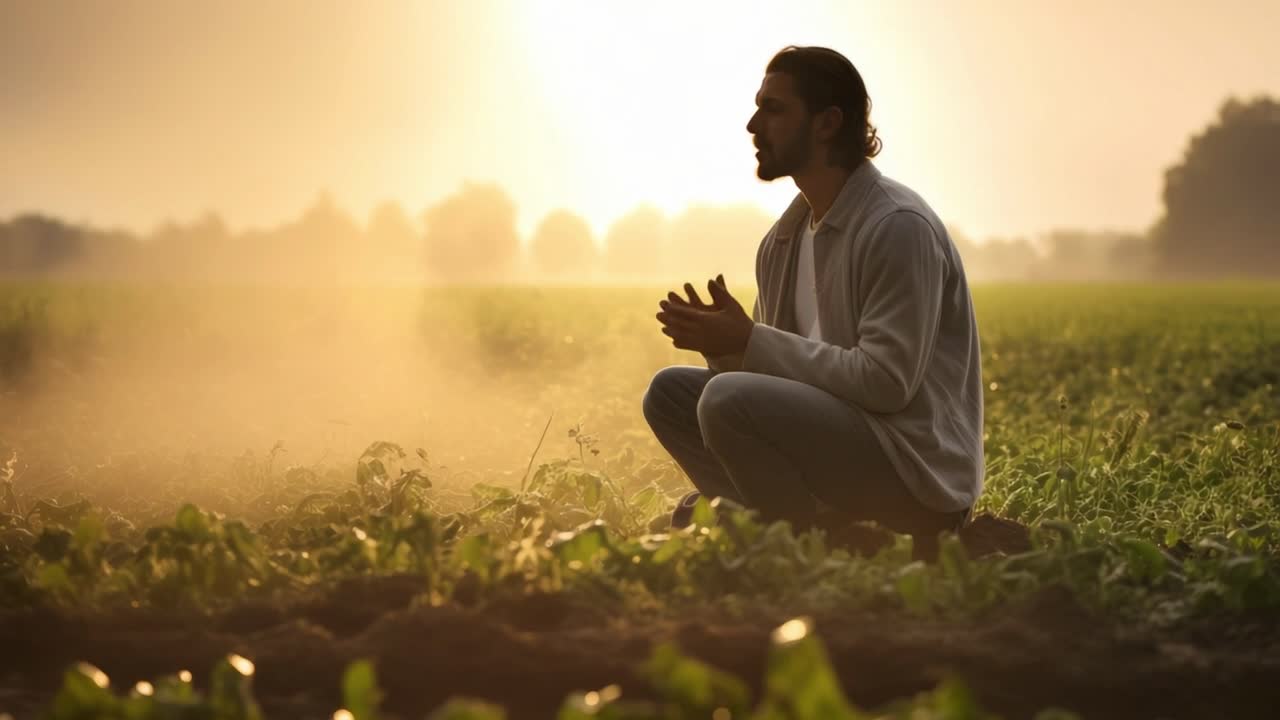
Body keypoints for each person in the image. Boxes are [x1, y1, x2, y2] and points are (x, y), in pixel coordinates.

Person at [642, 45, 984, 560]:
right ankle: (788, 521)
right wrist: (726, 346)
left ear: (827, 124)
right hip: (837, 457)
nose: (753, 125)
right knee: (670, 392)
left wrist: (750, 342)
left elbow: (887, 384)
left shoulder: (896, 226)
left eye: (773, 109)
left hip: (913, 473)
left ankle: (792, 541)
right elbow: (773, 378)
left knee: (727, 399)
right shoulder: (783, 239)